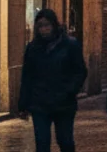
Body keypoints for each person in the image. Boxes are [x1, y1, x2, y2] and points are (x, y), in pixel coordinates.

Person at [18, 9, 89, 152]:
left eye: (47, 25)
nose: (44, 30)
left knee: (65, 140)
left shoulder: (70, 45)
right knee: (42, 143)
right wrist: (23, 105)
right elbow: (27, 77)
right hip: (39, 103)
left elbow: (80, 71)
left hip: (63, 104)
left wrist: (70, 91)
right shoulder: (32, 48)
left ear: (54, 25)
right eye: (40, 26)